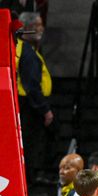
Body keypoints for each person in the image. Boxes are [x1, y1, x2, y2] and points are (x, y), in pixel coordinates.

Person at [16, 11, 53, 186]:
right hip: (30, 106)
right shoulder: (27, 52)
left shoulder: (25, 49)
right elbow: (31, 84)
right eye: (38, 25)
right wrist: (44, 108)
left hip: (28, 104)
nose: (41, 28)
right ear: (28, 28)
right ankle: (33, 181)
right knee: (32, 145)